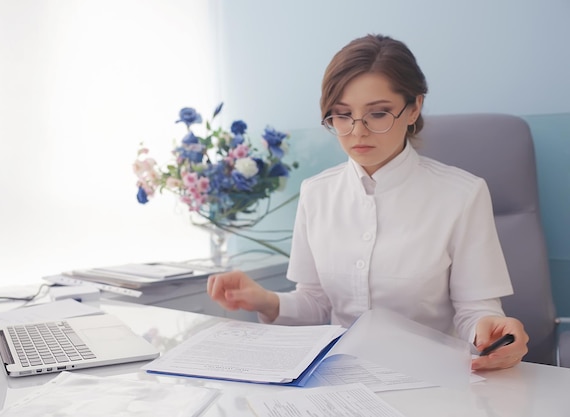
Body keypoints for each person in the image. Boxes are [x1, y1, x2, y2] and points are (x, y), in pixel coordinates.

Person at [207, 34, 528, 371]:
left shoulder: (463, 194)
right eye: (342, 115)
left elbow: (475, 310)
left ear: (414, 108)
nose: (357, 131)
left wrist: (491, 334)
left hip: (430, 377)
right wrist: (267, 301)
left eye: (378, 114)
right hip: (334, 378)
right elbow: (317, 303)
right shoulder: (316, 193)